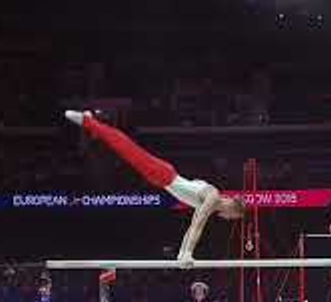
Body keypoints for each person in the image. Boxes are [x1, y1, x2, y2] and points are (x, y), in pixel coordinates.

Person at [65, 111, 245, 265]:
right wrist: (188, 253)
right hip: (164, 175)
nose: (229, 219)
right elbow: (198, 225)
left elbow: (192, 226)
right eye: (233, 217)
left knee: (125, 149)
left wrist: (182, 255)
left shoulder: (210, 203)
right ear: (233, 208)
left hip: (162, 178)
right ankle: (88, 121)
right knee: (124, 147)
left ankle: (93, 124)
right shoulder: (213, 196)